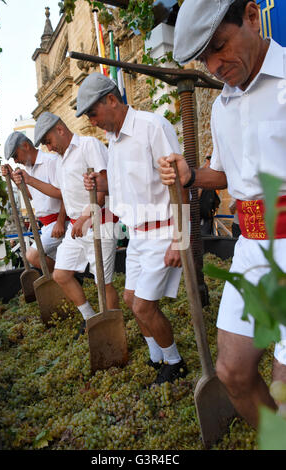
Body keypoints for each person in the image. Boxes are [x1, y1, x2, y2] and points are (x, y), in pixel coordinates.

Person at [158, 0, 286, 427]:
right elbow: (226, 174)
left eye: (220, 46)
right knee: (232, 373)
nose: (215, 65)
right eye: (204, 57)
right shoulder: (223, 107)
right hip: (249, 248)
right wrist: (190, 174)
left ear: (251, 16)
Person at [80, 72, 188, 385]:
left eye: (93, 113)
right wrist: (99, 184)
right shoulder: (113, 142)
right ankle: (157, 356)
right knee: (130, 300)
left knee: (143, 306)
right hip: (138, 234)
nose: (92, 121)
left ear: (111, 100)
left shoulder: (151, 126)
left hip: (163, 230)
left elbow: (180, 181)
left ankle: (176, 362)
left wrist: (179, 238)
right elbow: (121, 189)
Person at [32, 112, 119, 337]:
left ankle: (112, 329)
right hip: (76, 226)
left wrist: (85, 217)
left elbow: (105, 186)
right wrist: (29, 180)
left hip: (101, 222)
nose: (49, 148)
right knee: (61, 274)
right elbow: (60, 192)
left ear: (59, 130)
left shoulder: (89, 145)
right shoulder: (61, 160)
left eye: (48, 142)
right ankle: (91, 318)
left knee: (104, 283)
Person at [2, 131, 68, 273]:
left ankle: (69, 279)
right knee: (53, 262)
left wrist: (61, 221)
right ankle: (66, 281)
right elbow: (31, 195)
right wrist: (13, 176)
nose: (15, 160)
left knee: (32, 256)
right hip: (45, 226)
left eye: (15, 155)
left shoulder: (51, 161)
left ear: (25, 146)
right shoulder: (29, 168)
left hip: (58, 223)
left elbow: (65, 193)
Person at [198, 156, 220, 235]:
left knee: (206, 236)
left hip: (208, 214)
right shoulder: (199, 176)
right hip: (199, 215)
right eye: (209, 163)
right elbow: (196, 196)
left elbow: (216, 194)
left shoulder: (210, 178)